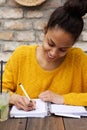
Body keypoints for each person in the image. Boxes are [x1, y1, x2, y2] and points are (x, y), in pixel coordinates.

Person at [2, 0, 87, 111]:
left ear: (72, 44)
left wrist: (62, 98)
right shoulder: (21, 56)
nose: (53, 53)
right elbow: (2, 91)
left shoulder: (78, 59)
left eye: (63, 50)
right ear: (45, 29)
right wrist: (13, 98)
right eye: (50, 44)